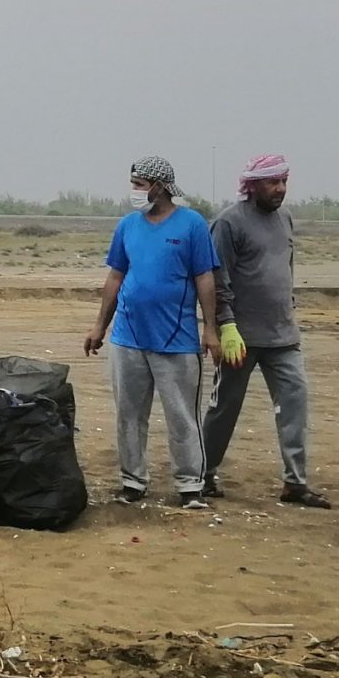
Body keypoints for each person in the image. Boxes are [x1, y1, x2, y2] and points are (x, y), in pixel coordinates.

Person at [82, 155, 218, 510]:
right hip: (127, 337)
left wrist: (211, 329)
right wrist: (100, 325)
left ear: (159, 187)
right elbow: (116, 276)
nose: (134, 191)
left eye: (139, 185)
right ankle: (133, 481)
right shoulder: (127, 226)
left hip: (177, 339)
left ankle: (190, 485)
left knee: (181, 415)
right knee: (128, 414)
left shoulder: (192, 225)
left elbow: (205, 278)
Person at [204, 154, 329, 508]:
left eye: (284, 181)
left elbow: (286, 268)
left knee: (294, 405)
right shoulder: (229, 222)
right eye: (273, 182)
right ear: (253, 185)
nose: (280, 189)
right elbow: (218, 279)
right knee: (224, 408)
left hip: (283, 336)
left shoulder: (285, 218)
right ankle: (203, 474)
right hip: (240, 338)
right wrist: (226, 326)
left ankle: (295, 483)